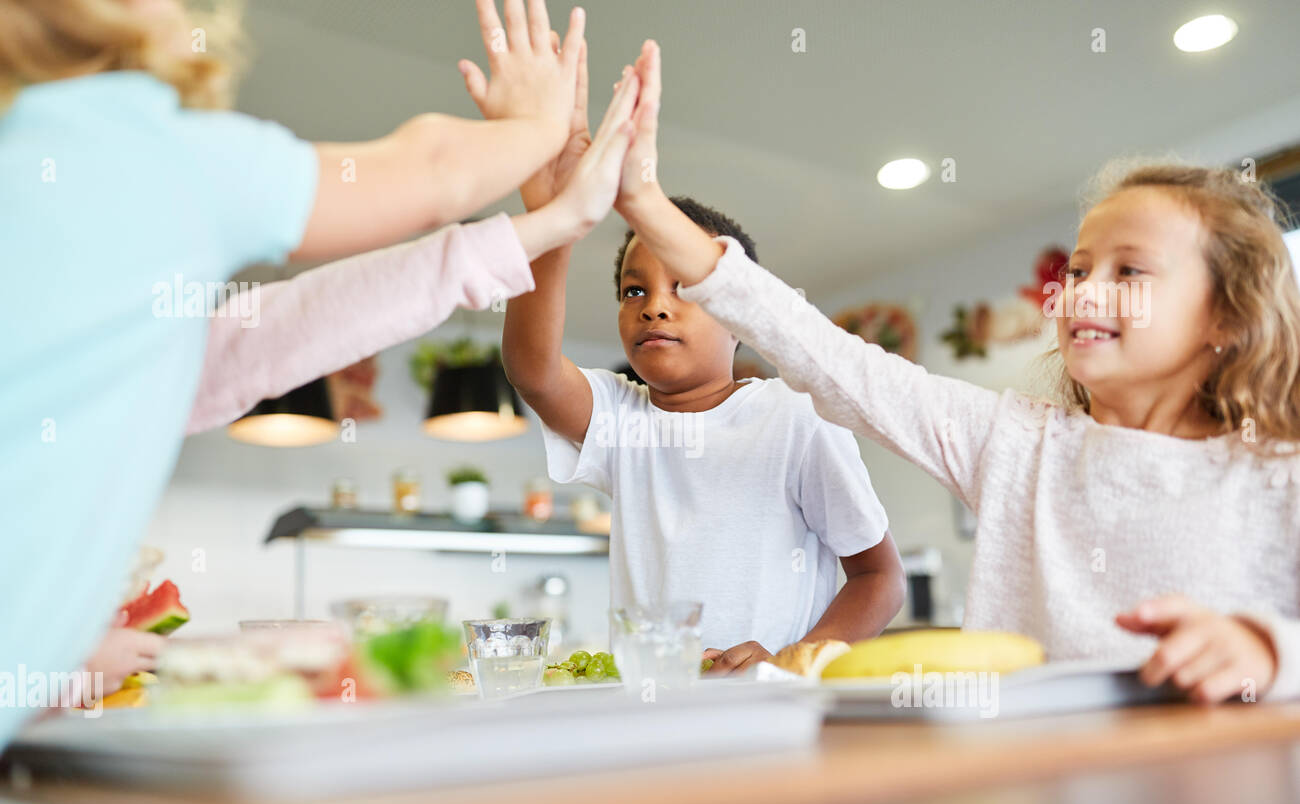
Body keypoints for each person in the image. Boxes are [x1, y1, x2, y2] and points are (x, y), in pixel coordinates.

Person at [0, 0, 642, 729]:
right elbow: (429, 171)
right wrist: (539, 129)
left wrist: (549, 226)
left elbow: (252, 345)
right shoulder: (136, 143)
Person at [615, 42, 1300, 702]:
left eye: (1130, 271)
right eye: (1080, 268)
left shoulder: (1278, 475)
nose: (1085, 289)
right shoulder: (1018, 447)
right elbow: (828, 358)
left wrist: (1267, 649)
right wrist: (644, 202)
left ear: (1228, 318)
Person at [477, 36, 906, 675]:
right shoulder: (623, 418)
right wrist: (553, 217)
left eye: (686, 288)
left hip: (771, 723)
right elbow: (533, 370)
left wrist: (793, 663)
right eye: (633, 290)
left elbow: (879, 579)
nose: (654, 306)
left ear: (741, 312)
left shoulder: (794, 417)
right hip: (654, 716)